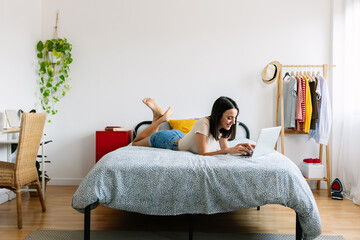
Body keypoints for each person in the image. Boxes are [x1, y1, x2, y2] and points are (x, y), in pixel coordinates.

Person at [132, 97, 254, 156]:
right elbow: (203, 154)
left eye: (235, 118)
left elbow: (225, 150)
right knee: (135, 142)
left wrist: (239, 147)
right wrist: (228, 150)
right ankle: (161, 120)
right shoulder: (203, 122)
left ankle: (157, 115)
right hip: (168, 140)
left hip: (179, 136)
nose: (233, 122)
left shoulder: (223, 127)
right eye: (229, 117)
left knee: (150, 135)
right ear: (218, 115)